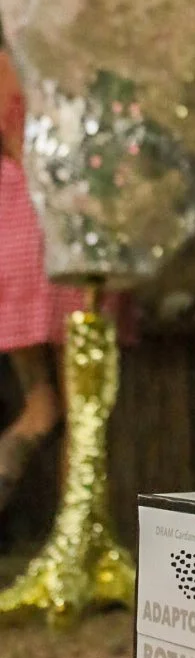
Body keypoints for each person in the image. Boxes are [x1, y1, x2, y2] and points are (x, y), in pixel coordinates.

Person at [0, 46, 88, 513]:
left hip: (14, 223)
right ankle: (73, 543)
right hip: (55, 215)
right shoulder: (51, 58)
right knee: (83, 415)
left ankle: (70, 542)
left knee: (44, 405)